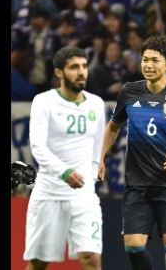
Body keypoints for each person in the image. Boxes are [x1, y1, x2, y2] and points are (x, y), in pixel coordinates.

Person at [98, 34, 166, 270]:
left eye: (155, 60)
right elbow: (113, 127)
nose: (148, 65)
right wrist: (101, 157)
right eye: (145, 59)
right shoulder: (129, 92)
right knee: (133, 246)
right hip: (136, 184)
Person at [24, 46, 105, 269]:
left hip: (84, 196)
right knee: (39, 263)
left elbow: (98, 145)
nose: (81, 72)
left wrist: (92, 178)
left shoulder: (96, 104)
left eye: (84, 66)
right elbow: (38, 147)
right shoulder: (43, 102)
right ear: (59, 72)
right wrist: (65, 172)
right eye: (74, 67)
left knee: (92, 258)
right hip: (49, 194)